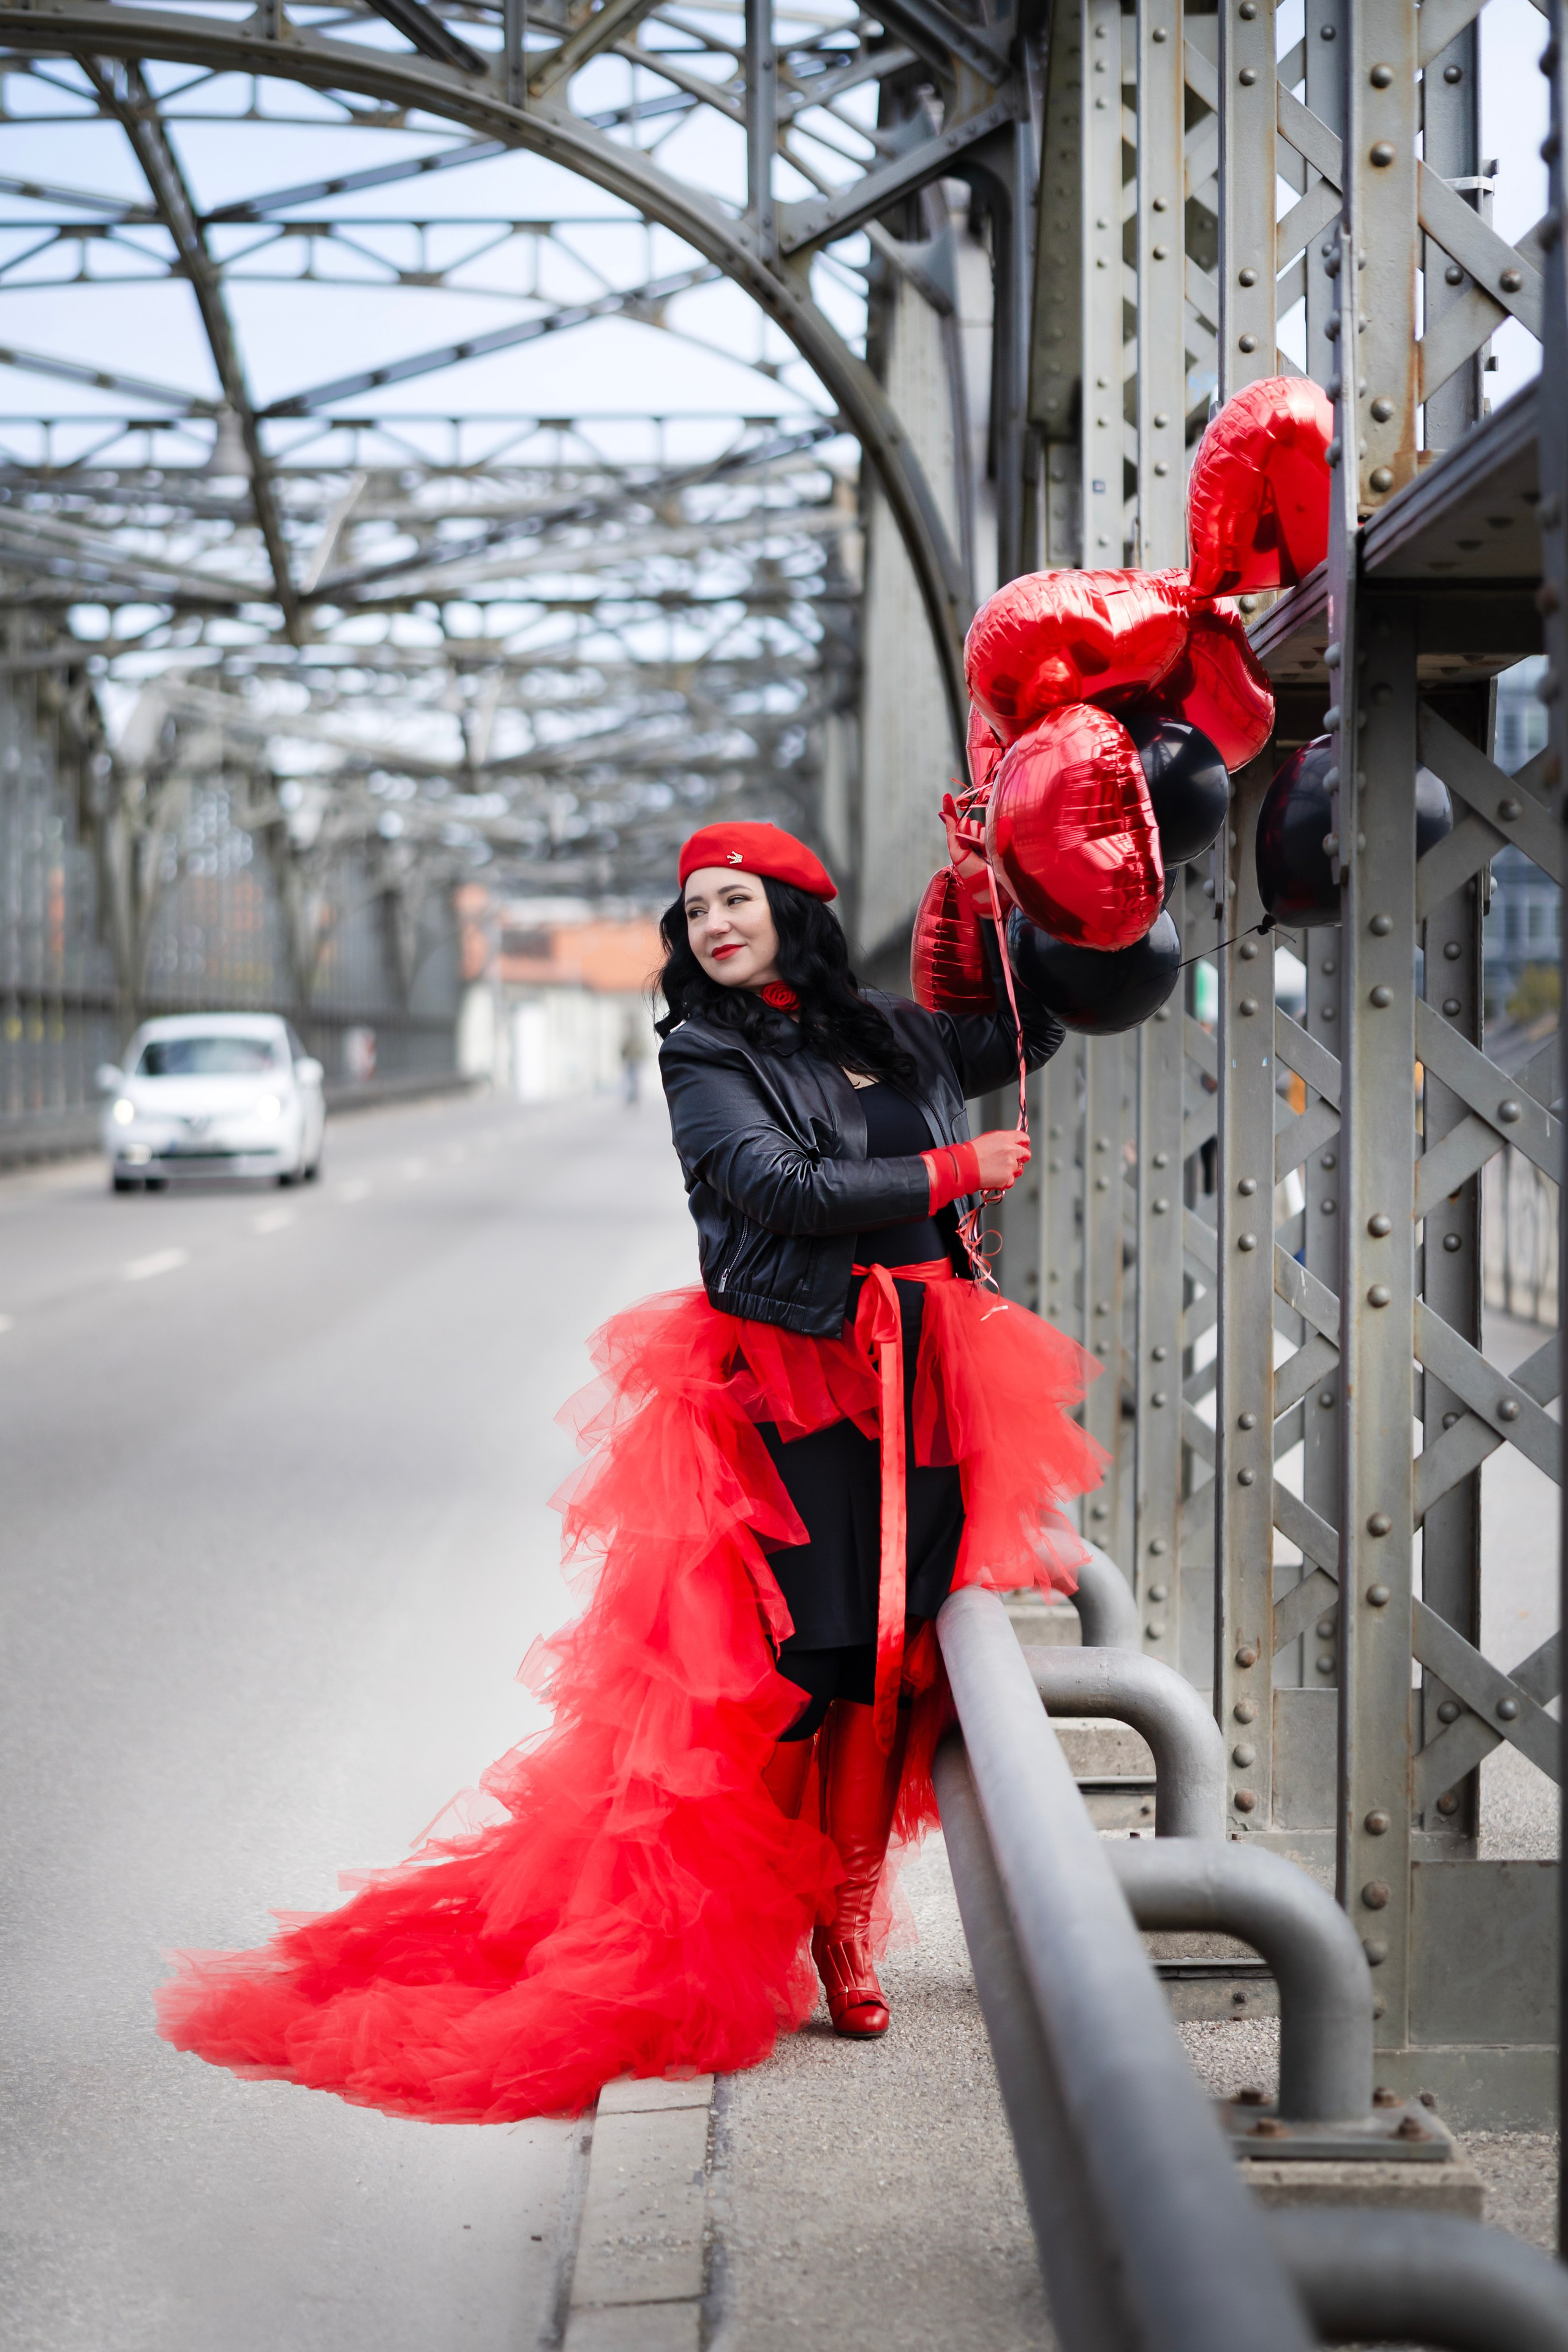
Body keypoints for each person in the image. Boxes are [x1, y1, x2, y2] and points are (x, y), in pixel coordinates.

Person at [156, 822, 1103, 2122]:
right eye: (695, 907)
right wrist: (953, 1167)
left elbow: (1023, 1039)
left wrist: (1014, 894)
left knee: (899, 1660)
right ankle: (767, 1914)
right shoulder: (702, 1048)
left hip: (927, 1375)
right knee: (813, 1659)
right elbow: (771, 1186)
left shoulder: (891, 1027)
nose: (713, 922)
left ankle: (844, 1920)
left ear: (793, 907)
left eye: (737, 900)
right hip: (799, 1379)